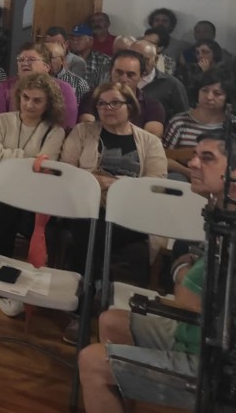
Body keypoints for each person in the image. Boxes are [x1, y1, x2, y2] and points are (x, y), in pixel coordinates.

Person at [78, 132, 225, 412]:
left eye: (207, 158)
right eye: (195, 155)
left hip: (214, 362)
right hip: (194, 331)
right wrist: (185, 267)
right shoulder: (217, 212)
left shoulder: (228, 226)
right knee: (110, 319)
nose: (192, 163)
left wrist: (182, 271)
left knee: (91, 361)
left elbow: (189, 301)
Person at [61, 81, 167, 328]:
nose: (108, 108)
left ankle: (93, 297)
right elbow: (68, 172)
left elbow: (155, 185)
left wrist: (106, 182)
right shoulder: (82, 132)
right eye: (102, 103)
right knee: (87, 227)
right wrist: (114, 184)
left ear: (130, 106)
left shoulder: (150, 142)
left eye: (115, 102)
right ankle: (90, 298)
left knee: (102, 236)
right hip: (88, 208)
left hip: (130, 213)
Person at [0, 72, 67, 316]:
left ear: (48, 103)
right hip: (2, 186)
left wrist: (8, 155)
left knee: (29, 220)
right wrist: (27, 159)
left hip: (35, 192)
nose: (29, 104)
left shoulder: (54, 130)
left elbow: (45, 166)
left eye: (37, 100)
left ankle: (21, 284)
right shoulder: (1, 120)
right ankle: (0, 275)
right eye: (26, 98)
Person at [78, 50, 166, 138]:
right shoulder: (91, 98)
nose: (123, 79)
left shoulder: (153, 107)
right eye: (119, 73)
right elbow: (87, 133)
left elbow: (150, 141)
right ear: (110, 71)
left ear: (142, 76)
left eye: (130, 75)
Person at [0, 42, 79, 127]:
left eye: (31, 59)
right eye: (21, 60)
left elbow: (68, 126)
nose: (24, 63)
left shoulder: (64, 89)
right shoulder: (4, 87)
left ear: (47, 67)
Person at [163, 72, 231, 180]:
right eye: (204, 90)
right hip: (183, 179)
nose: (209, 97)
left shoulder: (232, 125)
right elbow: (163, 157)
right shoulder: (179, 122)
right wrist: (189, 172)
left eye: (217, 93)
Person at [130, 39, 189, 124]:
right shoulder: (119, 79)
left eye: (145, 60)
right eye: (135, 58)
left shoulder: (172, 85)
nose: (140, 64)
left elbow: (183, 118)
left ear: (156, 60)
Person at [70, 23, 112, 88]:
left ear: (90, 41)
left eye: (79, 39)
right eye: (72, 39)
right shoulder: (66, 58)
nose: (75, 42)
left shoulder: (103, 60)